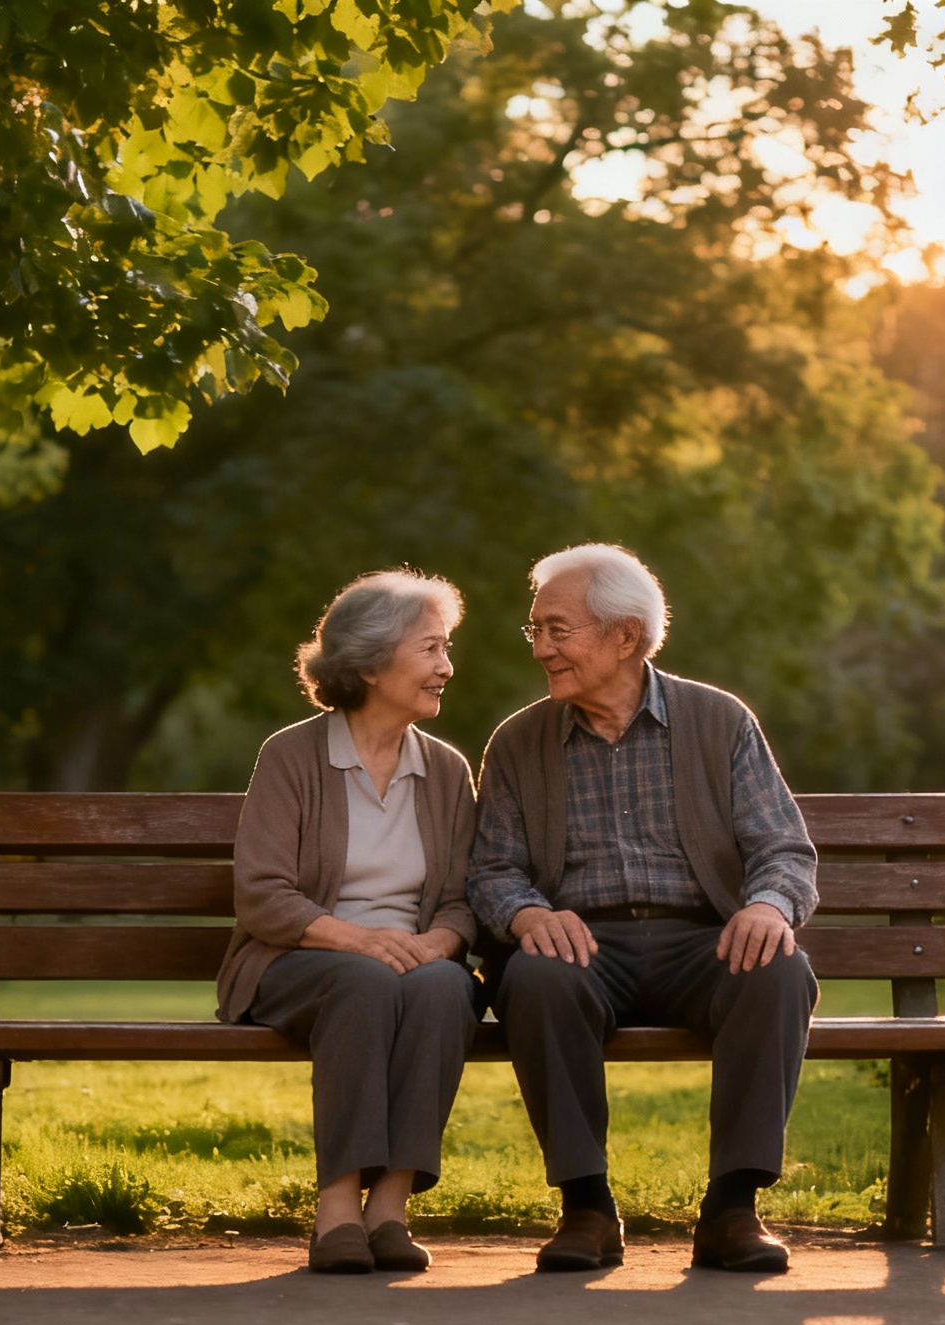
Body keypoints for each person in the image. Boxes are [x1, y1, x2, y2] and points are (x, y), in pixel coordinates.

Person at [469, 543, 819, 1274]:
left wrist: (767, 907)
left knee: (778, 972)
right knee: (533, 978)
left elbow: (784, 850)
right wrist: (528, 916)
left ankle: (733, 1208)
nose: (540, 649)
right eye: (534, 630)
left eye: (557, 630)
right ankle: (587, 1208)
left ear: (624, 636)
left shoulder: (719, 721)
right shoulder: (517, 741)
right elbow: (492, 869)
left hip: (704, 942)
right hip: (583, 947)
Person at [216, 570, 482, 1275]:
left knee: (447, 989)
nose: (446, 667)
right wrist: (360, 940)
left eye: (445, 648)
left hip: (409, 963)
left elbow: (462, 899)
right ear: (368, 663)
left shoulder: (449, 772)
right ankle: (337, 1205)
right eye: (430, 649)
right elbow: (264, 896)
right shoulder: (292, 756)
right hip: (296, 961)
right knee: (362, 982)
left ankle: (389, 1209)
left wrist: (438, 943)